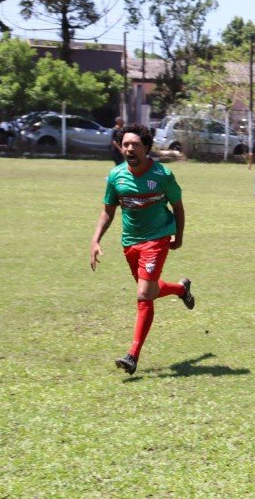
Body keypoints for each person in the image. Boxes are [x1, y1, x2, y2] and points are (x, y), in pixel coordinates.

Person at [89, 123, 195, 376]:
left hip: (157, 239)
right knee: (150, 289)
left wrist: (178, 237)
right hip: (130, 242)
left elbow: (178, 207)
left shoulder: (162, 175)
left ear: (146, 148)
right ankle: (181, 289)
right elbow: (108, 210)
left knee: (143, 294)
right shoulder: (116, 176)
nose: (129, 149)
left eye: (135, 144)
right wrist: (95, 240)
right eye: (125, 144)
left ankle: (132, 355)